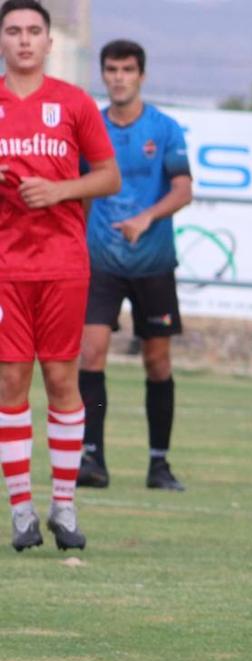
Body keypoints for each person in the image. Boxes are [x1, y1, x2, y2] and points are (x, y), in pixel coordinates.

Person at [1, 0, 121, 552]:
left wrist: (58, 190)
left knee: (63, 383)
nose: (24, 40)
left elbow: (108, 177)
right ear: (2, 41)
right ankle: (21, 509)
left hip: (63, 266)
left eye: (33, 31)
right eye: (13, 31)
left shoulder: (73, 104)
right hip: (6, 270)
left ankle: (64, 505)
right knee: (9, 384)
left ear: (50, 43)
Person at [78, 39, 193, 492]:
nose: (119, 77)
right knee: (90, 353)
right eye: (111, 69)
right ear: (103, 75)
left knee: (157, 361)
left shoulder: (163, 129)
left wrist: (147, 217)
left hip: (153, 262)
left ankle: (158, 464)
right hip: (100, 262)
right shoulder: (90, 126)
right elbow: (81, 188)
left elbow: (183, 188)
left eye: (127, 69)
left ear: (141, 75)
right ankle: (93, 459)